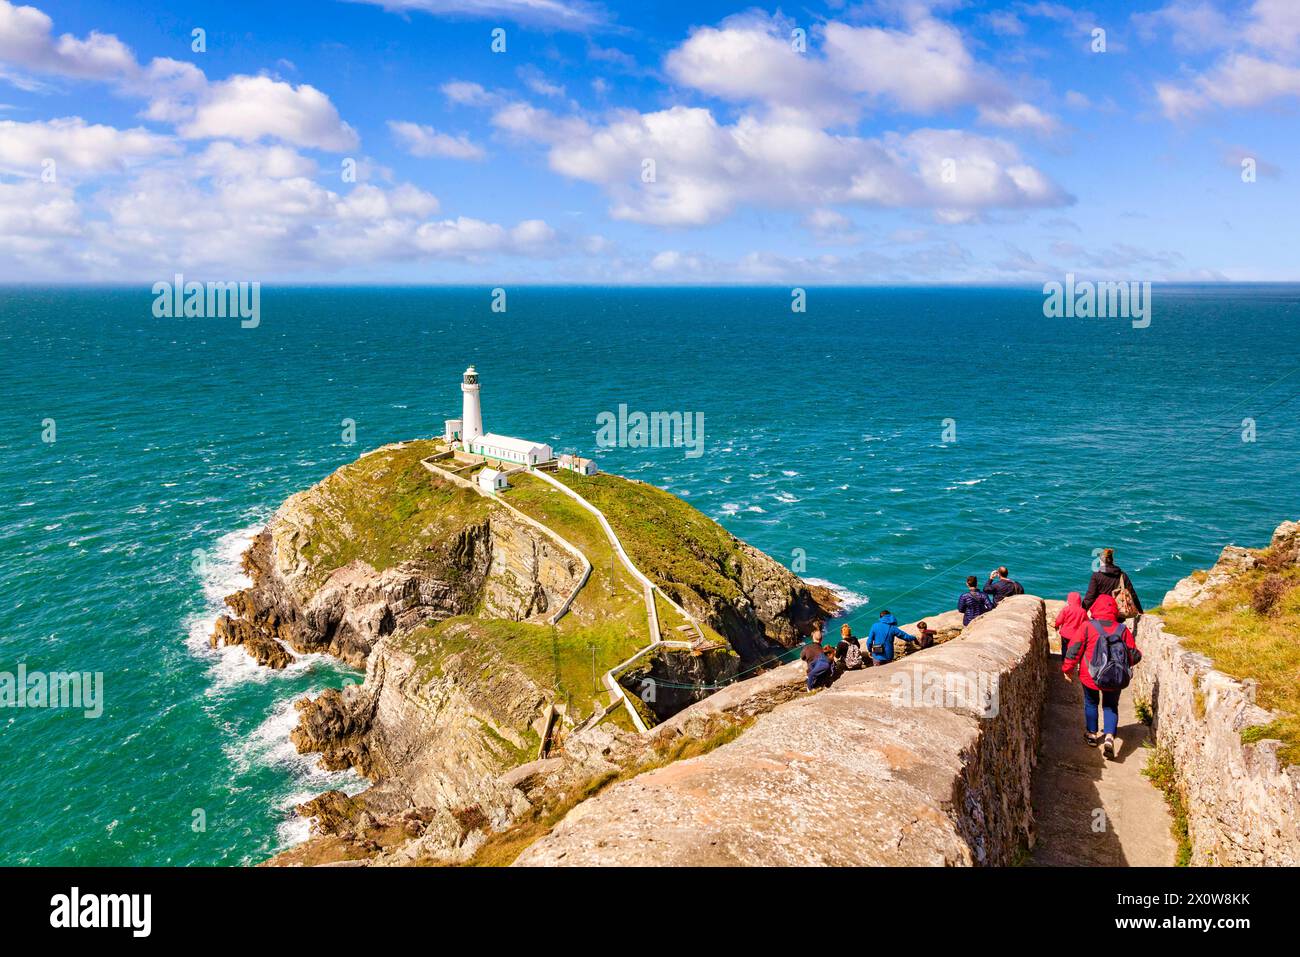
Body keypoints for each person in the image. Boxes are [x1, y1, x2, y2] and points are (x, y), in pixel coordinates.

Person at [1061, 593, 1142, 760]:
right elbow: (1134, 655)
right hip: (1114, 677)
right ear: (1114, 610)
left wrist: (1067, 668)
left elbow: (1074, 649)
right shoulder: (1122, 630)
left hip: (1090, 675)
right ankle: (1109, 737)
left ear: (1095, 608)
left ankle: (1092, 734)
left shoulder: (1087, 627)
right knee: (1111, 706)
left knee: (1091, 703)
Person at [1083, 548, 1143, 630]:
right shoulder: (1122, 575)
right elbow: (1132, 593)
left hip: (1100, 612)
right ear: (1112, 560)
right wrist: (1140, 610)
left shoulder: (1096, 575)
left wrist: (1082, 611)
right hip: (1117, 614)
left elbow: (1090, 597)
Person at [1053, 592, 1089, 659]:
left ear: (1069, 600)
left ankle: (1064, 659)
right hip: (1076, 635)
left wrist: (1056, 625)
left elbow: (1059, 620)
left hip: (1065, 634)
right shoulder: (1083, 611)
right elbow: (1087, 622)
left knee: (1064, 647)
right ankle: (1072, 660)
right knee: (1074, 648)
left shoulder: (1066, 610)